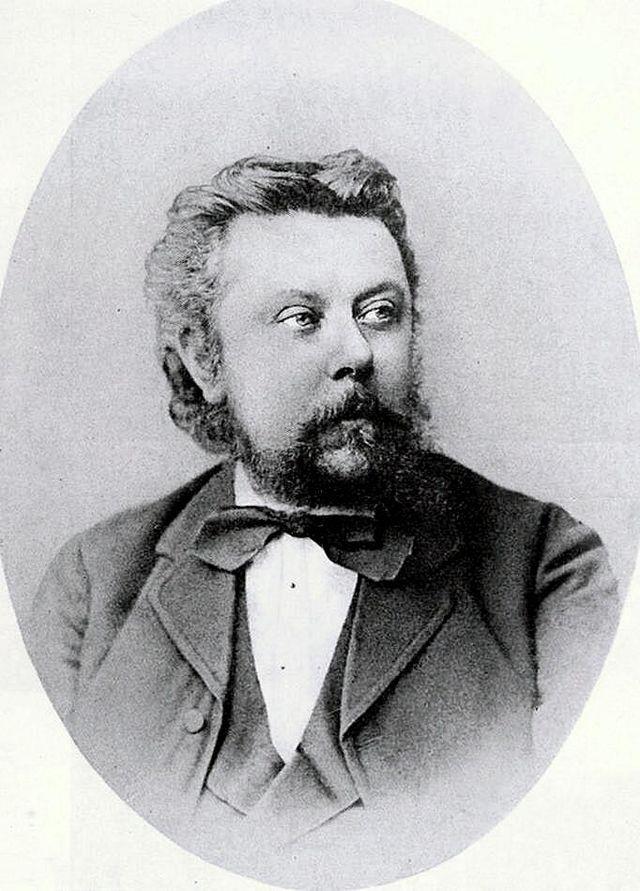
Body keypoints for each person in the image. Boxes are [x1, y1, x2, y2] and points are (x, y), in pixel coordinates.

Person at [27, 150, 620, 887]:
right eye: (302, 318)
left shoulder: (547, 570)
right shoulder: (94, 584)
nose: (358, 352)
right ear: (206, 360)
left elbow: (580, 849)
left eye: (380, 313)